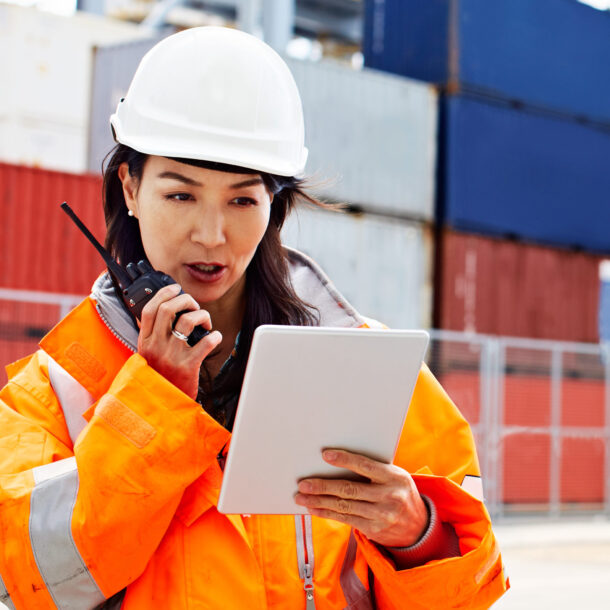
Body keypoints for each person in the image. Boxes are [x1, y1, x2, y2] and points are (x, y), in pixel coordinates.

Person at [0, 27, 508, 609]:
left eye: (243, 200)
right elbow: (31, 581)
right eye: (180, 195)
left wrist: (416, 535)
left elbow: (468, 592)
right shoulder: (53, 389)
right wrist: (153, 401)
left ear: (275, 207)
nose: (211, 235)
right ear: (131, 188)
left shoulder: (364, 366)